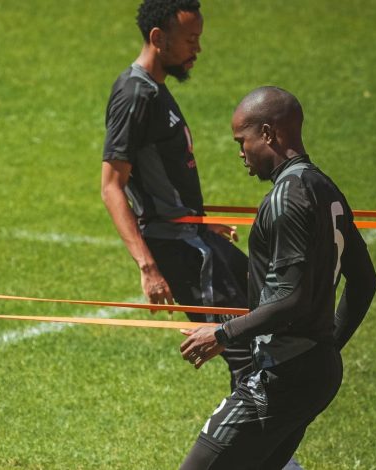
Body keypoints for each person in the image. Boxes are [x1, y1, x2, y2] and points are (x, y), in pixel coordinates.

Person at [179, 86, 376, 468]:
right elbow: (365, 281)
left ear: (269, 134)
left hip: (282, 377)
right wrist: (326, 347)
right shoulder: (324, 187)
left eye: (243, 140)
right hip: (314, 371)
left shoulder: (288, 196)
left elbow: (291, 299)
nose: (240, 152)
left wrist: (222, 334)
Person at [101, 0, 252, 389]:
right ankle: (258, 450)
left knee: (265, 313)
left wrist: (197, 217)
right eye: (190, 39)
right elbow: (111, 186)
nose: (197, 49)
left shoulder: (156, 90)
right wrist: (148, 267)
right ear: (158, 38)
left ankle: (267, 449)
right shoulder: (135, 95)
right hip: (179, 250)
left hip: (192, 236)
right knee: (245, 351)